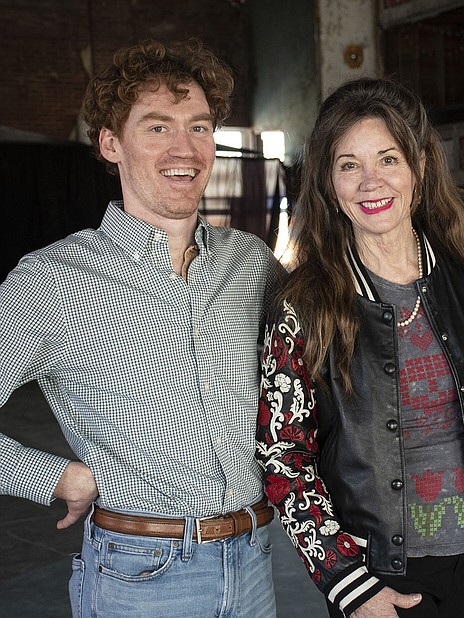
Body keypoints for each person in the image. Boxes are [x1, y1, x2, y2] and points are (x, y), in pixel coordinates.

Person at [0, 39, 280, 618]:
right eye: (157, 128)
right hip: (139, 577)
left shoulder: (251, 263)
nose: (185, 148)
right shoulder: (51, 281)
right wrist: (52, 477)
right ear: (110, 143)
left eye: (199, 127)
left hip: (255, 564)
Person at [255, 77, 464, 617]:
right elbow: (285, 457)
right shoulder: (304, 306)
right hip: (380, 579)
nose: (371, 182)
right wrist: (347, 583)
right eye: (348, 165)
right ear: (327, 183)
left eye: (388, 159)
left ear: (420, 167)